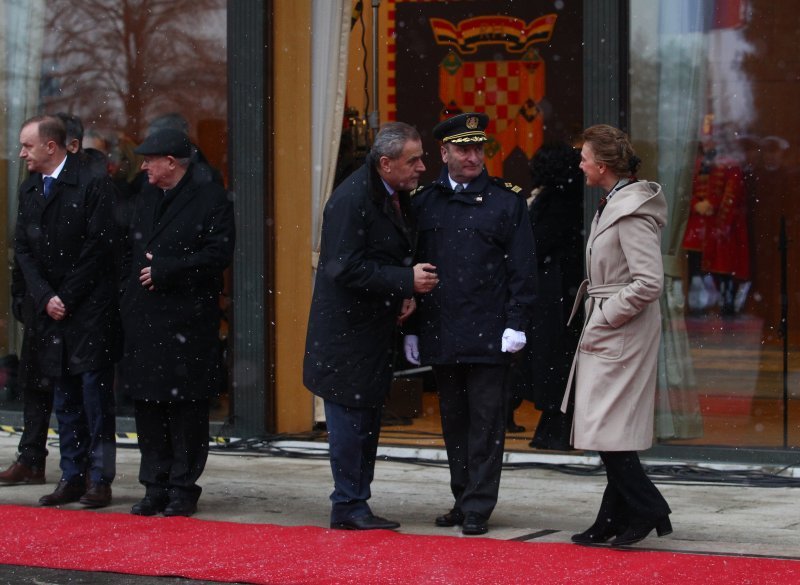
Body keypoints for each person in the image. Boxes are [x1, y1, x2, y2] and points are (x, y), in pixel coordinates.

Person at [404, 112, 537, 535]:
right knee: (454, 421)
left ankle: (479, 504)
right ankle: (463, 498)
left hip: (490, 330)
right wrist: (410, 329)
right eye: (464, 149)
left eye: (478, 148)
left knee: (486, 423)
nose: (473, 156)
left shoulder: (506, 200)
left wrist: (517, 322)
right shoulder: (423, 202)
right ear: (444, 152)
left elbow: (523, 270)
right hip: (443, 329)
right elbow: (413, 269)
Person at [303, 121, 437, 531]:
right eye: (412, 160)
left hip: (368, 332)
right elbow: (343, 268)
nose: (421, 168)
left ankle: (355, 501)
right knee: (350, 424)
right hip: (346, 337)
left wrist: (402, 292)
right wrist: (404, 280)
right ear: (385, 163)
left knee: (365, 423)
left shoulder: (391, 194)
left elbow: (381, 254)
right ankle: (348, 504)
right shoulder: (351, 199)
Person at [117, 128, 235, 517]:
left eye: (150, 160)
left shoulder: (211, 198)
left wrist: (169, 269)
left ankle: (183, 487)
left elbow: (218, 254)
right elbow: (130, 249)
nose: (144, 166)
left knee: (186, 410)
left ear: (172, 162)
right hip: (144, 319)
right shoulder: (147, 194)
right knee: (149, 407)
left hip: (187, 321)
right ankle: (155, 485)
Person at [564, 124, 672, 547]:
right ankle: (613, 518)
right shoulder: (613, 202)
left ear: (602, 165)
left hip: (621, 331)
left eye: (585, 157)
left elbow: (649, 282)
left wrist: (606, 314)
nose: (581, 163)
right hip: (613, 328)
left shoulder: (630, 210)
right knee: (610, 430)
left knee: (610, 430)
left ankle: (649, 508)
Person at [13, 115, 120, 507]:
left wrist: (67, 296)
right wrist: (44, 297)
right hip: (51, 312)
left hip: (88, 310)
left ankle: (99, 479)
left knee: (94, 400)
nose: (22, 152)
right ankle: (71, 475)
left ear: (51, 147)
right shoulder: (30, 190)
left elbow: (99, 248)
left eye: (27, 145)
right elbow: (23, 248)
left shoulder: (93, 184)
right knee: (64, 399)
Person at [505, 141, 584, 450]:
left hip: (557, 294)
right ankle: (554, 427)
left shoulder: (559, 201)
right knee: (553, 360)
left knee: (553, 359)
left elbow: (538, 243)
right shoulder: (563, 198)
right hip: (556, 291)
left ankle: (555, 427)